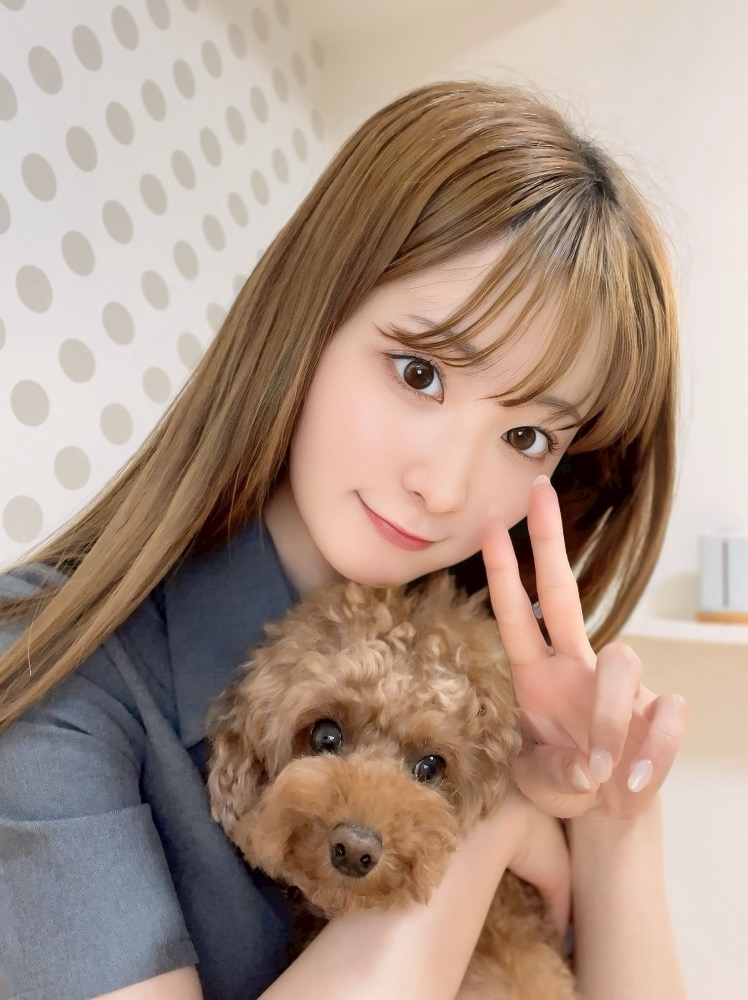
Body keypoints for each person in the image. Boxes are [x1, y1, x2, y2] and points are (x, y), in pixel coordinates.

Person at [0, 80, 688, 1000]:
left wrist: (613, 811)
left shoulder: (507, 696)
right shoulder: (50, 669)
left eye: (526, 436)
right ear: (309, 314)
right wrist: (484, 825)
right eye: (420, 372)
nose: (445, 486)